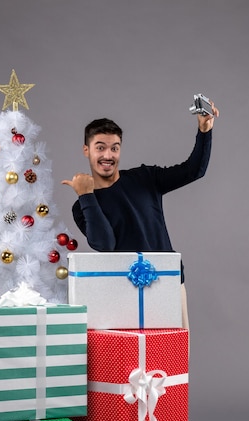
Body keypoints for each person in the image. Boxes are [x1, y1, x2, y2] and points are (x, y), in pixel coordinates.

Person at [62, 99, 219, 329]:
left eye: (114, 148)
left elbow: (194, 170)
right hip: (121, 293)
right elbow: (105, 243)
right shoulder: (83, 207)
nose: (108, 155)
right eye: (100, 147)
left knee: (172, 360)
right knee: (129, 362)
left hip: (168, 283)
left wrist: (204, 131)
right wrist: (86, 195)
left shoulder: (145, 178)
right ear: (87, 150)